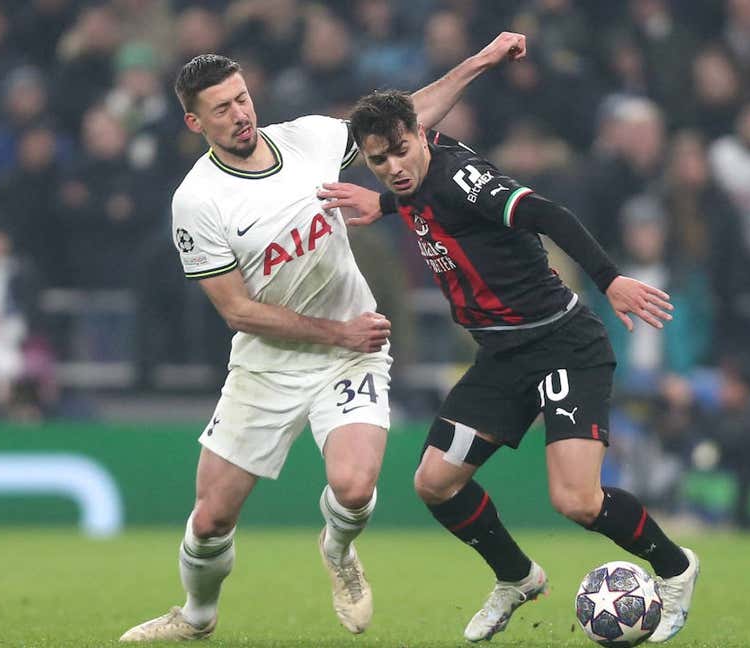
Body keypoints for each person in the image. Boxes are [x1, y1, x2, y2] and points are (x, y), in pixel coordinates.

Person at [119, 33, 531, 642]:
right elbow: (237, 311)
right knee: (210, 519)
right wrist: (337, 330)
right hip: (269, 363)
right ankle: (197, 616)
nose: (240, 114)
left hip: (351, 352)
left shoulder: (306, 138)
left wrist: (479, 61)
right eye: (222, 109)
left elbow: (404, 122)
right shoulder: (197, 201)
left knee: (354, 486)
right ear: (193, 121)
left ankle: (338, 551)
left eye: (242, 99)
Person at [319, 90, 699, 643]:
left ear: (422, 135)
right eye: (379, 161)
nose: (392, 168)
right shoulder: (416, 179)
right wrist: (382, 205)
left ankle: (675, 568)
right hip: (502, 356)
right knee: (435, 483)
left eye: (400, 151)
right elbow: (417, 194)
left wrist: (609, 278)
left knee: (576, 500)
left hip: (563, 344)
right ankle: (517, 577)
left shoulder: (462, 181)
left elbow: (548, 214)